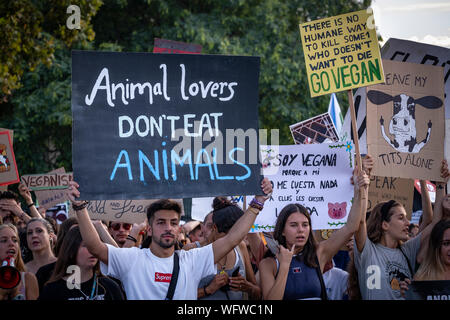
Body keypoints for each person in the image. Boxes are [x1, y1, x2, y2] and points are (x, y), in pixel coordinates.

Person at [67, 178, 272, 300]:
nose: (168, 228)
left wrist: (258, 203)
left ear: (179, 227)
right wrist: (80, 208)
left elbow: (233, 239)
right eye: (161, 222)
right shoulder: (132, 259)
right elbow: (94, 246)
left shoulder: (192, 259)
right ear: (149, 228)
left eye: (173, 223)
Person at [258, 167, 369, 300]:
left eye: (305, 225)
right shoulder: (269, 264)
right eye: (293, 225)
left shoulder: (319, 253)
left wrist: (359, 189)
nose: (301, 230)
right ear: (282, 230)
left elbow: (351, 227)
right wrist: (285, 265)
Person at [353, 159, 449, 300]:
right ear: (385, 225)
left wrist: (441, 183)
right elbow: (360, 221)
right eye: (401, 218)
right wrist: (363, 185)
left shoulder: (406, 251)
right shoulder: (368, 250)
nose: (408, 222)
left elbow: (435, 223)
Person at [195, 197, 261, 300]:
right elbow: (177, 294)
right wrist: (208, 289)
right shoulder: (192, 250)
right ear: (215, 228)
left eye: (237, 237)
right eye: (229, 237)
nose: (232, 242)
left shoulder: (240, 247)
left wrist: (247, 287)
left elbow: (258, 293)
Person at [39, 226, 125, 300]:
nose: (93, 250)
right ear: (72, 249)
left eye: (95, 246)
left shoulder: (110, 287)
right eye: (86, 246)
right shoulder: (53, 290)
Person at [35, 217, 78, 293]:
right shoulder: (45, 272)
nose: (78, 238)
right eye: (73, 233)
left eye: (82, 233)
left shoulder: (95, 271)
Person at [0, 224, 39, 300]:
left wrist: (16, 294)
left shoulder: (28, 279)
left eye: (15, 240)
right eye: (4, 240)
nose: (11, 244)